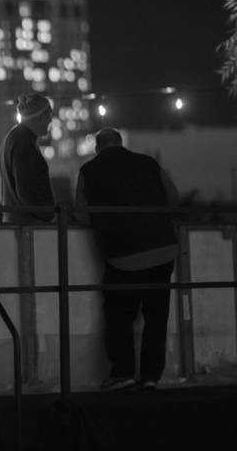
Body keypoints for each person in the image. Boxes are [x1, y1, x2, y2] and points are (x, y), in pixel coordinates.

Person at [76, 128, 179, 391]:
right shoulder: (148, 162)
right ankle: (151, 377)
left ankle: (123, 374)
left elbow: (82, 214)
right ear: (121, 144)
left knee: (119, 316)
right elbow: (173, 198)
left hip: (124, 255)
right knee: (156, 319)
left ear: (98, 148)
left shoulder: (89, 170)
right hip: (163, 250)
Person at [0, 93, 55, 223]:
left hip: (19, 225)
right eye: (49, 114)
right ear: (39, 117)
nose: (50, 120)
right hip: (27, 229)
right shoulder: (23, 143)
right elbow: (26, 192)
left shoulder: (16, 138)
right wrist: (49, 215)